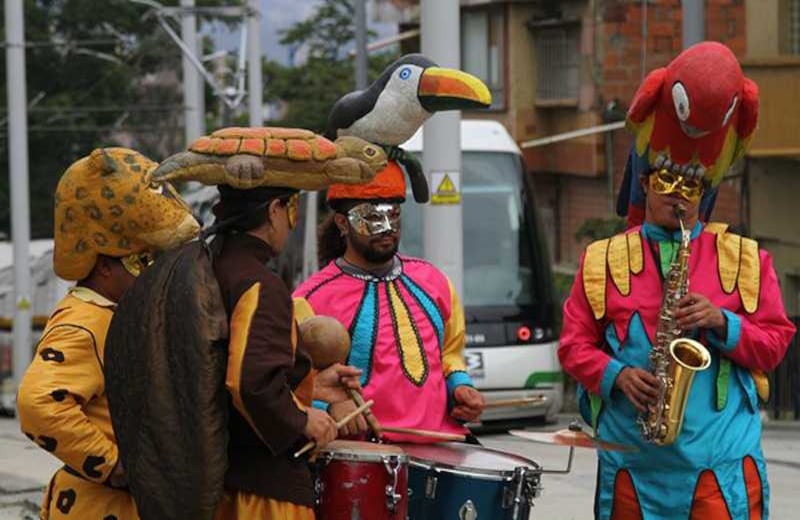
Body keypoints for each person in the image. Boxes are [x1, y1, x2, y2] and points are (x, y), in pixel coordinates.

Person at [559, 115, 797, 520]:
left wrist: (723, 322)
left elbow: (775, 346)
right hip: (630, 470)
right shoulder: (601, 259)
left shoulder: (746, 259)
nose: (679, 198)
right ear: (645, 182)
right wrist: (616, 375)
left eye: (692, 186)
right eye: (667, 181)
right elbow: (572, 346)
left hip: (717, 469)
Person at [16, 147, 200, 520]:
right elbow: (38, 405)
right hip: (100, 507)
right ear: (102, 265)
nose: (154, 273)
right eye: (142, 261)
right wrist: (114, 466)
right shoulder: (85, 320)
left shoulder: (117, 314)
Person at [293, 163, 485, 442]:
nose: (387, 228)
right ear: (342, 223)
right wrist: (328, 405)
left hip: (442, 446)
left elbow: (449, 354)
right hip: (363, 462)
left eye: (393, 215)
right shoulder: (307, 300)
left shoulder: (436, 282)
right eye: (372, 217)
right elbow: (292, 384)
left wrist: (459, 386)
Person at [208, 184, 363, 520]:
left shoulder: (212, 266)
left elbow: (221, 368)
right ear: (273, 211)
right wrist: (301, 419)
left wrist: (314, 385)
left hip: (223, 480)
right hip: (262, 494)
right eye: (291, 209)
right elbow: (248, 383)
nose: (293, 224)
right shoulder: (259, 283)